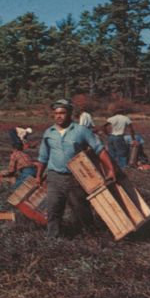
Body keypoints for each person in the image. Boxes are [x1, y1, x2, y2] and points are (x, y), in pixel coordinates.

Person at [37, 99, 116, 239]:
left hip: (76, 177)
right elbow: (43, 157)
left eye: (62, 113)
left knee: (81, 209)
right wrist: (38, 176)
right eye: (56, 113)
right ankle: (52, 238)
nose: (58, 116)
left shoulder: (81, 131)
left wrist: (111, 169)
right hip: (54, 177)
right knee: (53, 208)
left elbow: (100, 150)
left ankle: (90, 236)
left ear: (70, 113)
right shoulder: (49, 132)